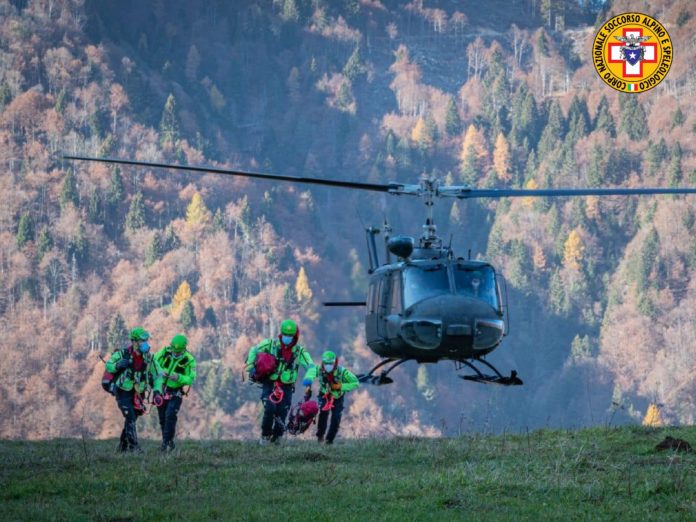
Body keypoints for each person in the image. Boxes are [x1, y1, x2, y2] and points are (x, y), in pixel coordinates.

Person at [246, 319, 316, 444]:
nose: (287, 338)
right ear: (281, 333)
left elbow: (311, 366)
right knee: (269, 409)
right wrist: (251, 367)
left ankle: (277, 439)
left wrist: (309, 377)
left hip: (287, 387)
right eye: (285, 334)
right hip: (269, 383)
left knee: (282, 413)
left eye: (290, 335)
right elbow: (254, 350)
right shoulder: (270, 344)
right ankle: (265, 437)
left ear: (295, 336)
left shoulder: (299, 352)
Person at [104, 327, 156, 452]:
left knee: (131, 419)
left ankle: (122, 447)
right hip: (123, 391)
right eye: (142, 340)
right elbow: (108, 365)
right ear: (133, 341)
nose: (145, 343)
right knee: (130, 416)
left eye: (146, 340)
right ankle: (134, 447)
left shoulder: (148, 357)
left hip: (139, 392)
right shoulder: (122, 354)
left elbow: (154, 373)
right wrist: (117, 365)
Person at [153, 334, 197, 452]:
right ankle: (167, 442)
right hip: (160, 390)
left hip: (175, 393)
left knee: (170, 416)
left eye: (178, 352)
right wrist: (160, 372)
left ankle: (166, 444)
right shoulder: (164, 352)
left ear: (184, 349)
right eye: (174, 351)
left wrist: (178, 377)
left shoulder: (189, 360)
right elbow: (153, 363)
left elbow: (191, 378)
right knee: (162, 418)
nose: (175, 353)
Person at [315, 350, 359, 444]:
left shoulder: (342, 371)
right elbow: (311, 374)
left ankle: (329, 440)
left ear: (334, 362)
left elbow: (356, 383)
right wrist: (308, 382)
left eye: (330, 363)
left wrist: (340, 386)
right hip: (324, 395)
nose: (328, 365)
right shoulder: (319, 369)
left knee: (336, 418)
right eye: (326, 363)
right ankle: (320, 436)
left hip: (338, 397)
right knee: (323, 414)